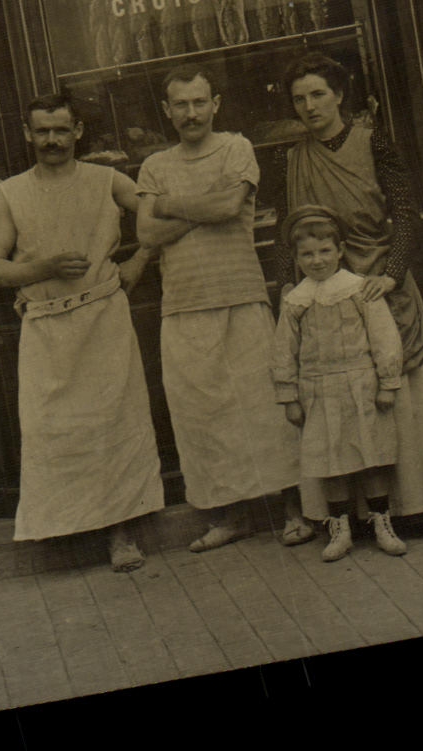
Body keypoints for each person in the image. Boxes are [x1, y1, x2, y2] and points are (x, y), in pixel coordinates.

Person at [270, 52, 423, 545]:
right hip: (321, 294)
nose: (309, 106)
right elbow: (283, 232)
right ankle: (355, 516)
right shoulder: (291, 159)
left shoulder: (374, 142)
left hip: (379, 282)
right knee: (336, 404)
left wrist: (393, 273)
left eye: (318, 94)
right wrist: (285, 290)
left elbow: (405, 215)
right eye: (299, 99)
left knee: (405, 398)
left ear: (340, 95)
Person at [0, 92, 165, 571]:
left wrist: (140, 260)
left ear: (78, 131)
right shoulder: (11, 192)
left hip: (103, 318)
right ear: (27, 134)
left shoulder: (106, 180)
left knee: (111, 426)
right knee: (54, 431)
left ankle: (120, 535)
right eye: (41, 131)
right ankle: (66, 532)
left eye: (61, 130)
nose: (52, 140)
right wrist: (44, 267)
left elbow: (162, 212)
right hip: (45, 328)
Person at [135, 65, 300, 551]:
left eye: (199, 102)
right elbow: (146, 235)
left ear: (216, 104)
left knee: (264, 408)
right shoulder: (154, 167)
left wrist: (171, 207)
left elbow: (230, 209)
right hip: (183, 305)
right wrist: (201, 206)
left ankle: (294, 507)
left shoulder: (236, 147)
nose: (191, 113)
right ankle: (231, 516)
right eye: (180, 105)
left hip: (241, 295)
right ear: (167, 111)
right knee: (203, 416)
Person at [273, 207, 407, 561]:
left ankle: (382, 522)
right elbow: (284, 351)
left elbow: (384, 337)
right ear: (296, 257)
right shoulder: (294, 300)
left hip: (361, 383)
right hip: (317, 390)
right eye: (307, 254)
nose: (317, 261)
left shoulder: (359, 289)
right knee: (330, 459)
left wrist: (387, 383)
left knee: (372, 456)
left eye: (324, 251)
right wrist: (289, 396)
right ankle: (340, 527)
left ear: (340, 250)